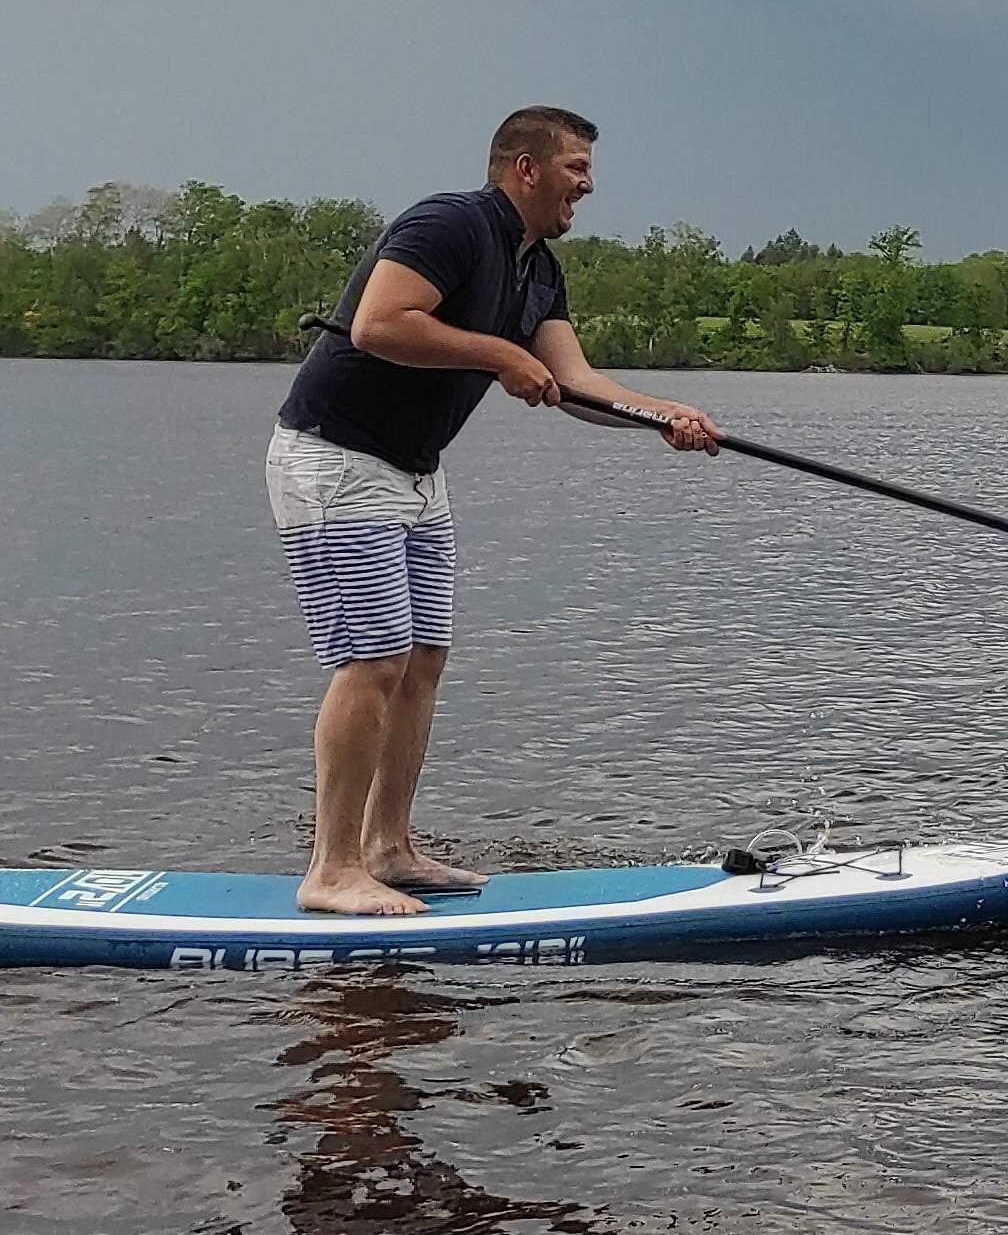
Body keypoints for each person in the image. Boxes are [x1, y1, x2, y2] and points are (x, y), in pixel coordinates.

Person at [266, 105, 719, 917]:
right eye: (576, 167)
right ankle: (330, 869)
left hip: (413, 471)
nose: (587, 185)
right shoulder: (451, 224)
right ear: (527, 169)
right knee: (373, 661)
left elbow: (577, 386)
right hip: (333, 455)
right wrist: (500, 353)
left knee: (422, 660)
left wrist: (663, 416)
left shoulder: (538, 270)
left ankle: (387, 848)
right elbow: (378, 324)